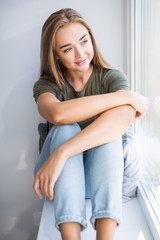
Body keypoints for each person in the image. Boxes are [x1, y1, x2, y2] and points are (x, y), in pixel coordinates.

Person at [33, 8, 149, 240]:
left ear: (91, 38)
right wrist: (126, 97)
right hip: (58, 179)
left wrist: (62, 152)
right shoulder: (47, 85)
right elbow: (57, 113)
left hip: (112, 180)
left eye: (84, 41)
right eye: (67, 49)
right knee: (65, 127)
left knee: (109, 134)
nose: (80, 53)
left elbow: (125, 117)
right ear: (55, 55)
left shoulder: (111, 77)